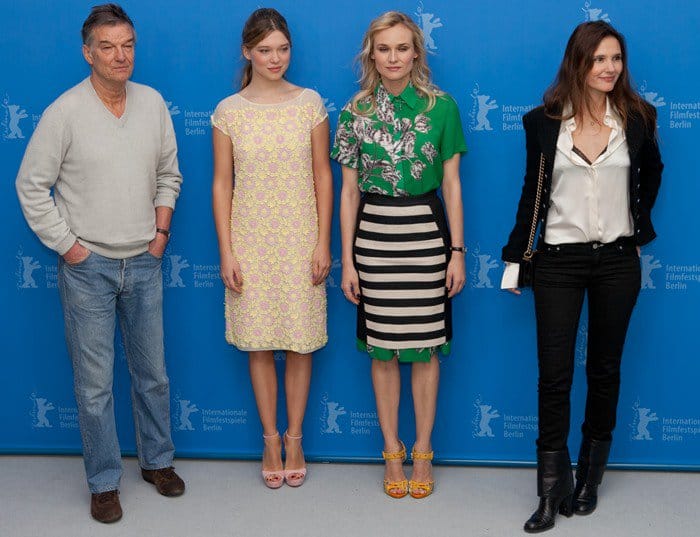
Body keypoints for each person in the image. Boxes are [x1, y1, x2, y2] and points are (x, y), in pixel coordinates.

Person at [15, 3, 185, 524]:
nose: (120, 55)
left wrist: (160, 234)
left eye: (128, 44)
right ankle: (104, 480)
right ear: (87, 52)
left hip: (145, 261)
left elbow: (168, 175)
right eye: (108, 46)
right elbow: (30, 186)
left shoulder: (152, 103)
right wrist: (71, 247)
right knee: (93, 387)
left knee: (153, 374)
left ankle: (157, 462)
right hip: (87, 267)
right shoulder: (64, 112)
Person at [501, 21, 662, 533]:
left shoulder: (639, 118)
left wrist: (633, 223)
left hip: (617, 261)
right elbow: (534, 195)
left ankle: (590, 478)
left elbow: (651, 174)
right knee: (554, 375)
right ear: (579, 62)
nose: (609, 69)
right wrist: (517, 259)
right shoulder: (543, 123)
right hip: (557, 262)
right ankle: (552, 491)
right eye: (599, 60)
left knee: (605, 369)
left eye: (616, 59)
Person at [332, 11, 466, 499]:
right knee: (383, 351)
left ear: (416, 53)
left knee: (427, 349)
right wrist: (347, 259)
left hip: (427, 236)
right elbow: (348, 193)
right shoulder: (354, 112)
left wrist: (457, 252)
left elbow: (451, 184)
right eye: (383, 48)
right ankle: (391, 450)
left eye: (402, 48)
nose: (393, 57)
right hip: (374, 238)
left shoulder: (442, 108)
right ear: (371, 52)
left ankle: (423, 449)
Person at [211, 8, 332, 489]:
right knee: (258, 342)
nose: (275, 58)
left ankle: (296, 437)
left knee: (300, 342)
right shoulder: (229, 111)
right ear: (247, 52)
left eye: (282, 48)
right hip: (250, 240)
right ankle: (269, 438)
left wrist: (324, 240)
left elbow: (323, 173)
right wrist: (227, 250)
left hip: (302, 237)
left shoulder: (310, 103)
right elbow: (222, 183)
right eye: (264, 50)